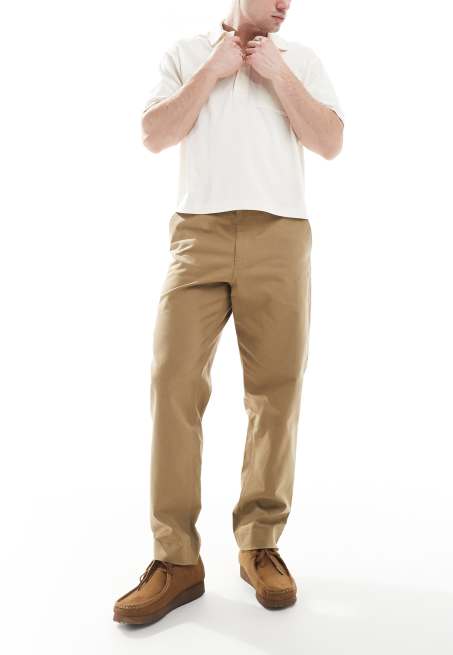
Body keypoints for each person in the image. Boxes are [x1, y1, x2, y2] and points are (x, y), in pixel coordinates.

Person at [113, 0, 344, 624]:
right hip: (199, 232)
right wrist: (211, 72)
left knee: (276, 390)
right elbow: (153, 135)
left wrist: (278, 75)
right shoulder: (187, 53)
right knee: (172, 382)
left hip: (280, 234)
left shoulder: (301, 60)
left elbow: (329, 142)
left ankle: (260, 543)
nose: (286, 3)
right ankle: (175, 560)